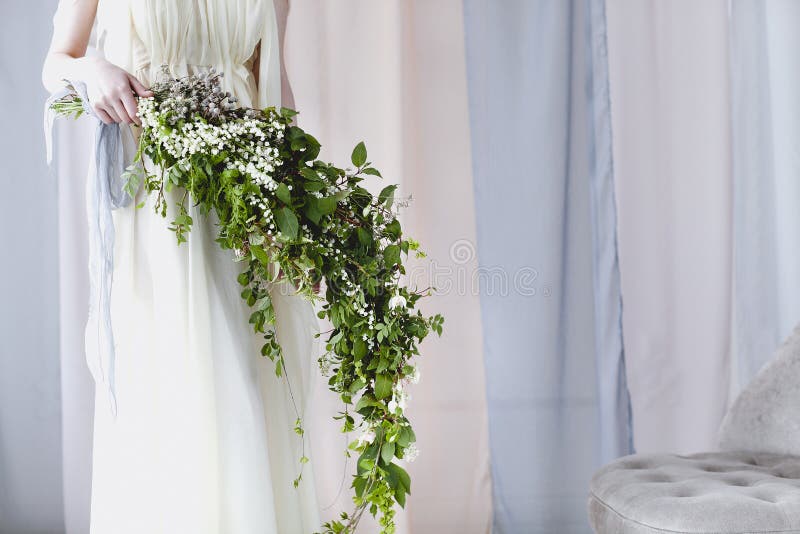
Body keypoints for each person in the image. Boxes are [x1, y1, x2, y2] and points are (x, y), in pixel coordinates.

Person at [42, 1, 321, 532]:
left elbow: (271, 79)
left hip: (243, 195)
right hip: (158, 192)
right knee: (174, 374)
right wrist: (90, 69)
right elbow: (55, 60)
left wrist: (299, 203)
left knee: (242, 371)